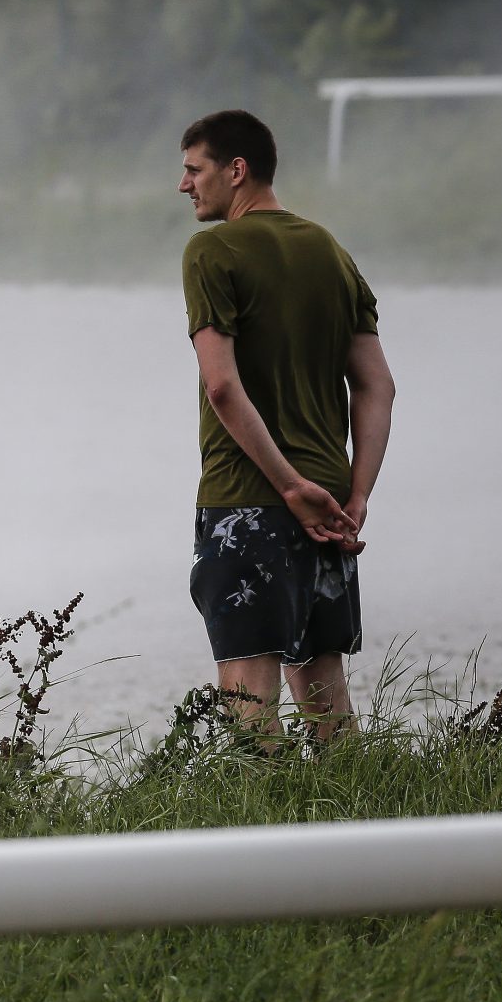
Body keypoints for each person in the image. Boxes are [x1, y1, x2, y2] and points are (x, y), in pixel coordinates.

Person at [178, 109, 395, 742]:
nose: (184, 184)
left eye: (194, 169)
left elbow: (221, 385)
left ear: (235, 170)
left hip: (250, 498)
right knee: (328, 703)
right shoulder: (329, 249)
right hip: (330, 506)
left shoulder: (211, 251)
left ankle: (257, 833)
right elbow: (377, 384)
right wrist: (355, 496)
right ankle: (359, 829)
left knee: (250, 716)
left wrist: (288, 486)